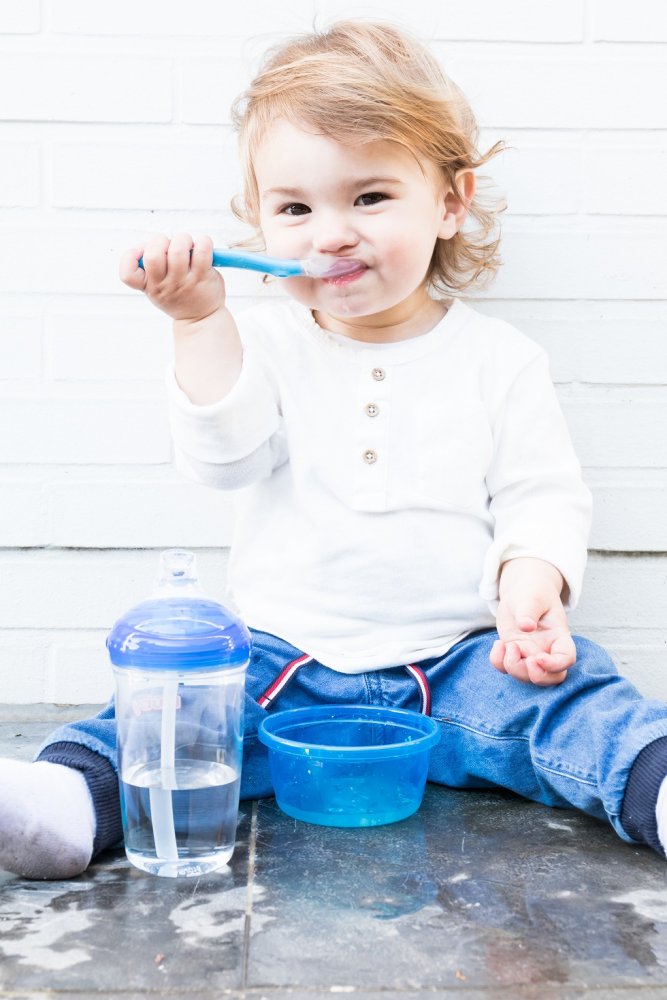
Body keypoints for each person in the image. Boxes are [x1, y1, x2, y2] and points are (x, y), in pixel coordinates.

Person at [1, 20, 666, 880]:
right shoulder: (265, 344)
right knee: (174, 707)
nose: (330, 234)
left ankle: (654, 786)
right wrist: (201, 323)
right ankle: (67, 800)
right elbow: (224, 462)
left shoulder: (499, 360)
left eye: (369, 198)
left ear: (451, 202)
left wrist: (529, 589)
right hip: (282, 662)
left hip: (458, 664)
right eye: (294, 209)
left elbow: (541, 497)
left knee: (579, 703)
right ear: (259, 224)